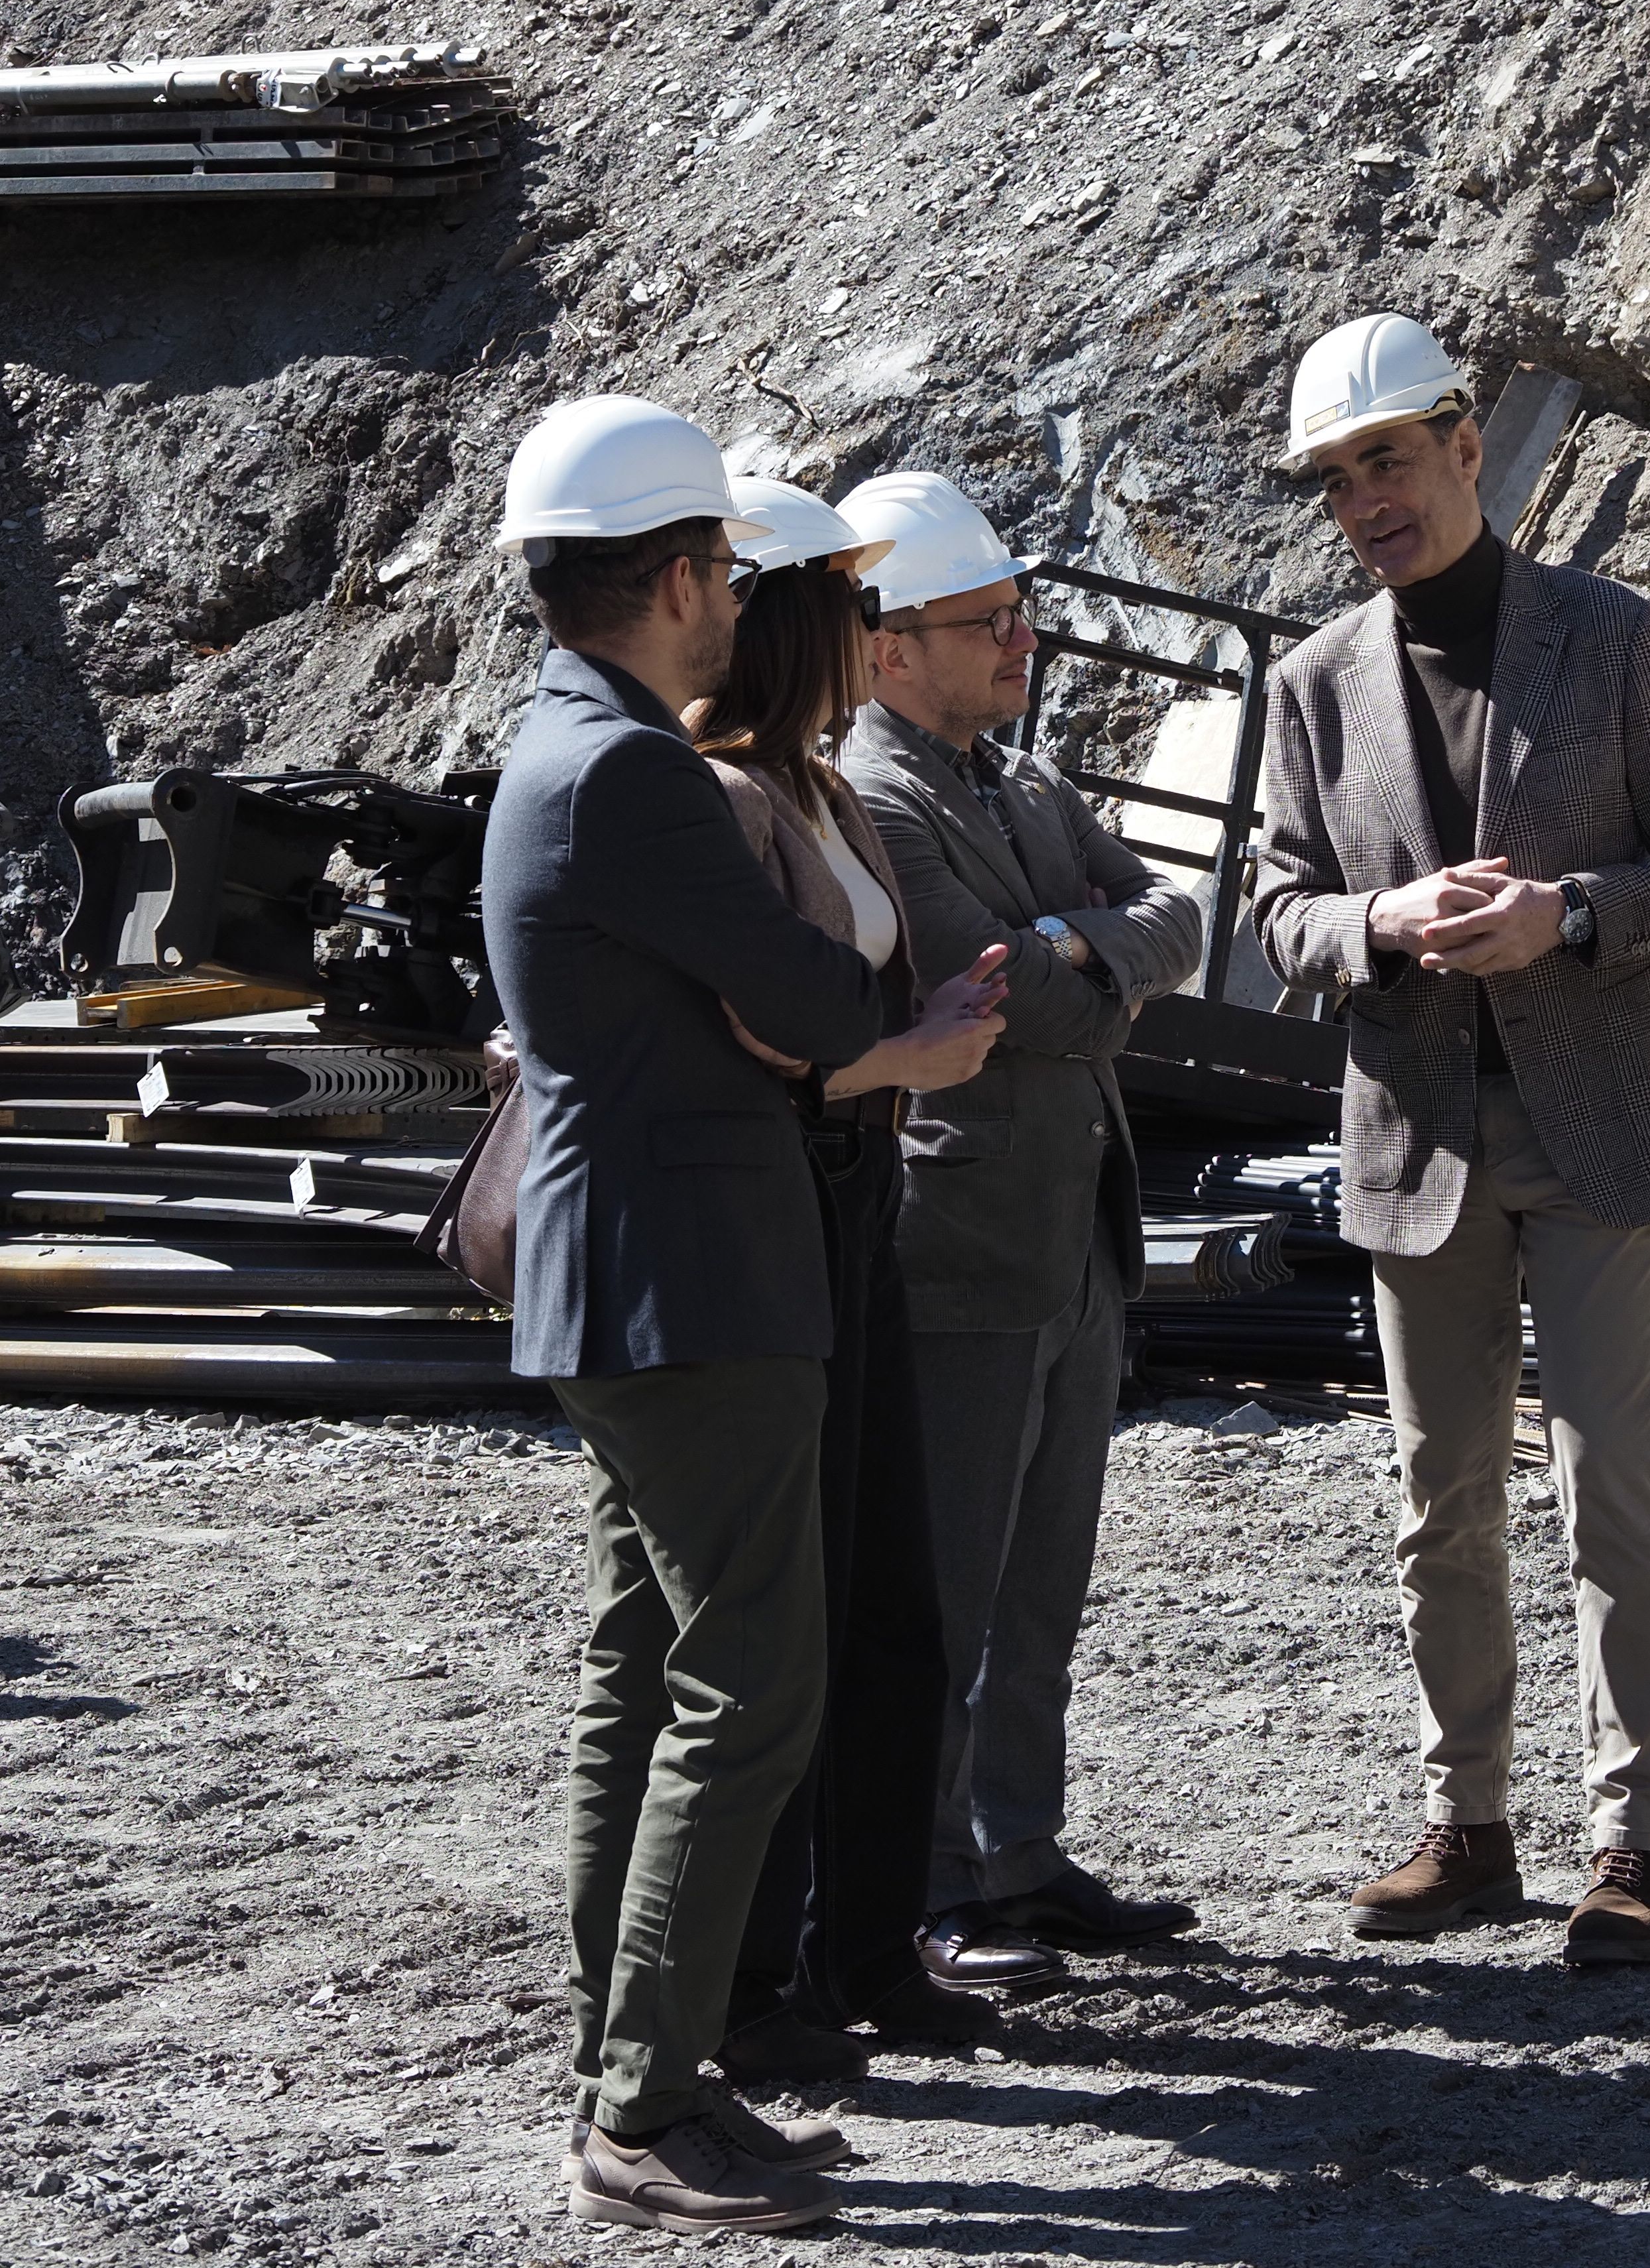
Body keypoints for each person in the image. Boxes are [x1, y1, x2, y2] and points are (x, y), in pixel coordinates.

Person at [1250, 314, 1650, 1966]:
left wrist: (1577, 916)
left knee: (1612, 1489)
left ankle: (1633, 1845)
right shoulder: (1315, 683)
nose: (1366, 502)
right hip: (1420, 1142)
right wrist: (1379, 922)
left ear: (1467, 446)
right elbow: (1272, 908)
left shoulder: (1612, 638)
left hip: (1596, 1127)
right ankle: (1469, 1823)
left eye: (1386, 460)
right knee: (1438, 1504)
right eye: (1338, 479)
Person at [483, 398, 887, 2236]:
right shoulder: (634, 773)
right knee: (747, 1682)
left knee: (643, 1678)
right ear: (668, 577)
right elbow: (812, 995)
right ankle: (645, 2095)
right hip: (694, 1286)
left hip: (632, 1284)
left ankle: (636, 2065)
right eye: (723, 564)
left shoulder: (571, 748)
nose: (739, 595)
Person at [837, 469, 1208, 1996]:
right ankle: (925, 1888)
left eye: (1021, 613)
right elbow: (1016, 999)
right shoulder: (873, 801)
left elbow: (1186, 919)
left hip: (1071, 1236)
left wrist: (1080, 946)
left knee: (1043, 1574)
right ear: (887, 646)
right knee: (948, 1583)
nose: (1023, 640)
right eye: (983, 621)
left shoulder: (1021, 782)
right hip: (968, 1248)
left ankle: (1020, 1856)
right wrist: (1083, 953)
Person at [683, 477, 1021, 2073]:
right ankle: (781, 1975)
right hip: (795, 1199)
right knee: (801, 1613)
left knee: (892, 1599)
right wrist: (913, 1049)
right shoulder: (722, 795)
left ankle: (873, 1947)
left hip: (859, 1192)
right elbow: (760, 1042)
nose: (857, 627)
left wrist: (913, 1034)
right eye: (840, 602)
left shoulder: (818, 786)